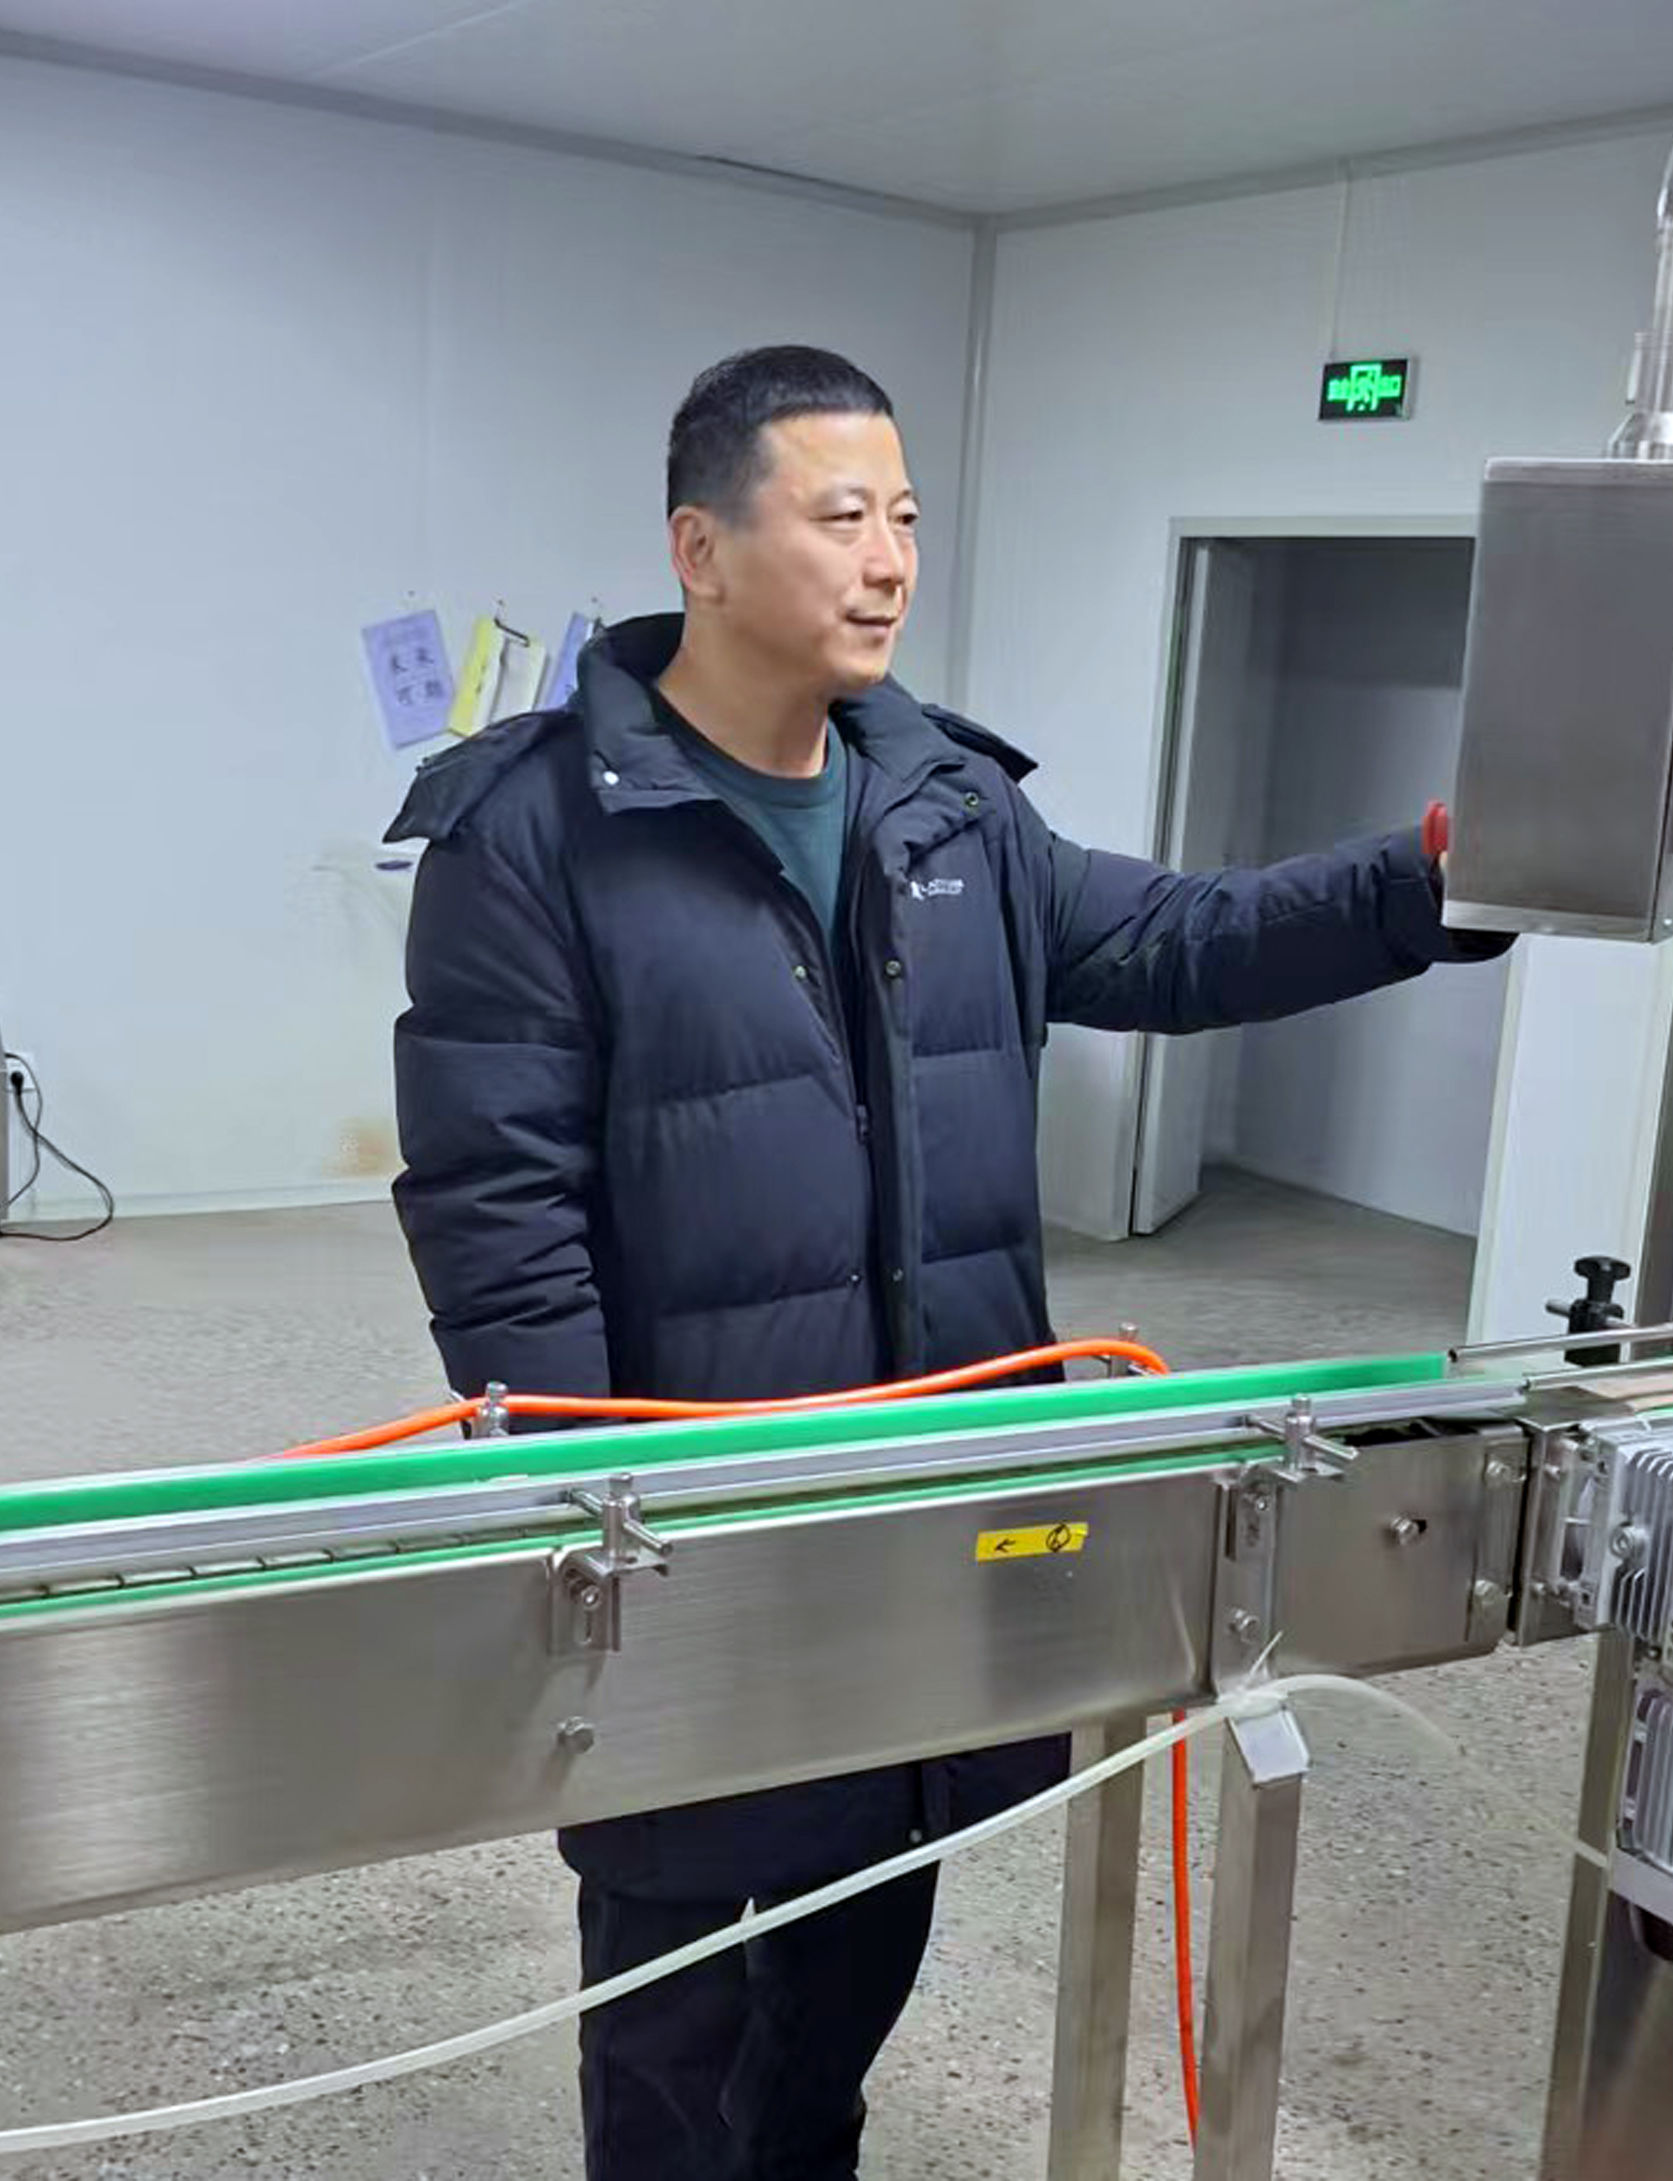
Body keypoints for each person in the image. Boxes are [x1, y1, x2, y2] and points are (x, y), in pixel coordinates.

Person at [389, 345, 1507, 2181]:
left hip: (936, 1519)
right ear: (701, 548)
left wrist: (1430, 878)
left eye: (905, 516)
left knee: (854, 1966)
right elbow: (498, 1204)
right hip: (703, 1541)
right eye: (842, 516)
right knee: (675, 2018)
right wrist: (594, 1512)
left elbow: (1182, 939)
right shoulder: (538, 835)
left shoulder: (947, 803)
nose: (892, 557)